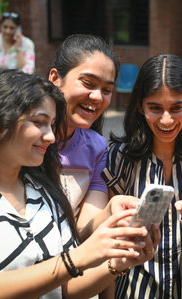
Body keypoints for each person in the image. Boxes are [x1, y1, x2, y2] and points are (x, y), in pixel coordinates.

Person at [0, 69, 158, 298]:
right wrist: (76, 258)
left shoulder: (44, 191)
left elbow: (66, 287)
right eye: (39, 122)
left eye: (52, 125)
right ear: (0, 121)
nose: (50, 137)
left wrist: (117, 261)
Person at [102, 53, 182, 298]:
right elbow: (110, 239)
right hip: (132, 289)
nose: (166, 119)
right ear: (141, 106)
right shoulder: (120, 157)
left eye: (177, 108)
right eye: (155, 108)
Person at [48, 34, 123, 241]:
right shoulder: (24, 138)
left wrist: (113, 211)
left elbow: (83, 230)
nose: (98, 97)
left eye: (107, 89)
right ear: (55, 78)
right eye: (88, 83)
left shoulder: (97, 147)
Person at [0, 11, 35, 81]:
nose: (8, 31)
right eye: (5, 27)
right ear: (0, 26)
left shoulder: (27, 44)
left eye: (12, 28)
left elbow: (27, 73)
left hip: (14, 89)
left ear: (18, 29)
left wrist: (18, 48)